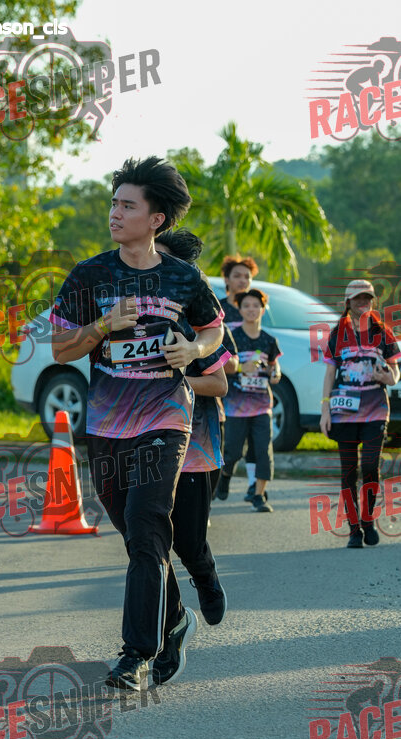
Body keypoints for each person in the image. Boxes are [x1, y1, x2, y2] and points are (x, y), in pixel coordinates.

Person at [51, 156, 224, 691]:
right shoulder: (90, 275)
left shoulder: (183, 277)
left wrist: (193, 349)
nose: (115, 213)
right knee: (137, 540)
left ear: (156, 219)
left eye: (128, 205)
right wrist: (103, 325)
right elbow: (60, 348)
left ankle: (135, 656)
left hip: (165, 419)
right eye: (114, 203)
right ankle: (175, 617)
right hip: (107, 425)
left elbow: (214, 330)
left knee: (148, 528)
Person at [154, 229, 232, 643]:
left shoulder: (196, 319)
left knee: (187, 540)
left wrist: (175, 383)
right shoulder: (136, 313)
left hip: (195, 447)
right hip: (145, 443)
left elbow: (219, 384)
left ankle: (205, 576)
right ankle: (170, 617)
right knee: (149, 539)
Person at [320, 279, 401, 548]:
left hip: (376, 410)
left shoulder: (383, 332)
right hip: (343, 411)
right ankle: (354, 529)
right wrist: (325, 410)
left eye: (367, 297)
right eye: (358, 298)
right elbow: (329, 373)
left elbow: (395, 372)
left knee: (369, 467)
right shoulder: (337, 333)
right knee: (348, 471)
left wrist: (388, 377)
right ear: (348, 303)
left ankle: (368, 519)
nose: (363, 302)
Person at [219, 289, 282, 512]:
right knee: (233, 452)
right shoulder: (231, 337)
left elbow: (274, 364)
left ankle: (259, 495)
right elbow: (221, 365)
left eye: (256, 305)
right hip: (235, 407)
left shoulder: (269, 340)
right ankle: (224, 476)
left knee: (263, 451)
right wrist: (240, 368)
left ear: (263, 310)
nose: (251, 310)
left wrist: (275, 373)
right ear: (240, 309)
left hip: (262, 406)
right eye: (246, 305)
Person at [216, 254, 261, 503]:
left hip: (253, 385)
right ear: (227, 279)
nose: (243, 280)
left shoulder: (255, 306)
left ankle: (255, 490)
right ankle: (224, 475)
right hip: (225, 383)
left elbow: (262, 341)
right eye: (237, 276)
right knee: (232, 445)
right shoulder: (218, 308)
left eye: (247, 276)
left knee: (256, 440)